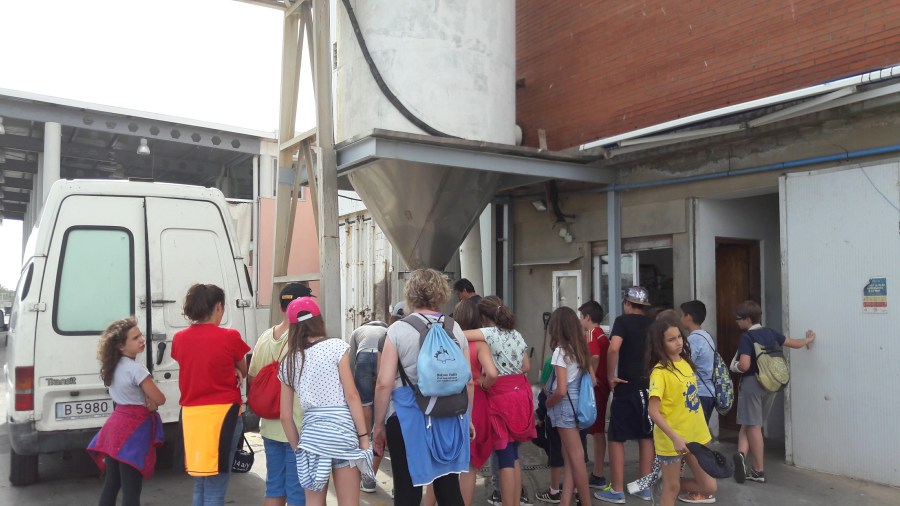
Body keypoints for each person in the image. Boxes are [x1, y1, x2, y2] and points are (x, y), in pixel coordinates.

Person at [372, 268, 473, 506]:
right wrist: (467, 419)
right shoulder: (455, 328)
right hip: (449, 417)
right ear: (441, 293)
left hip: (407, 418)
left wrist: (378, 425)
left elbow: (384, 383)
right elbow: (468, 380)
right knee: (449, 490)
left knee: (407, 491)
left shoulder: (397, 330)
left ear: (410, 293)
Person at [278, 296, 373, 505]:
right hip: (342, 433)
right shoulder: (337, 347)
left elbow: (285, 416)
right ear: (318, 320)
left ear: (293, 327)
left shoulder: (288, 362)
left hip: (312, 438)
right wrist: (364, 437)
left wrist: (298, 448)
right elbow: (352, 395)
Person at [172, 284, 250, 506]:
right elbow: (243, 370)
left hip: (192, 417)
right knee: (216, 487)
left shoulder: (179, 338)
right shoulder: (230, 336)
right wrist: (233, 368)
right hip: (224, 416)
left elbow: (195, 364)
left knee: (201, 482)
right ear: (218, 307)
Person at [730, 300, 816, 485]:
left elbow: (744, 365)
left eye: (738, 319)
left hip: (752, 384)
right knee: (750, 423)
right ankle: (741, 454)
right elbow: (795, 344)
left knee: (753, 425)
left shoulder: (747, 337)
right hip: (771, 385)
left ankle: (758, 470)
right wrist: (808, 340)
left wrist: (734, 366)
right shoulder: (770, 332)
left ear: (747, 319)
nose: (736, 322)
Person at [425, 298, 498, 506]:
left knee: (440, 460)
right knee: (469, 464)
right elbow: (492, 373)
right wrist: (482, 383)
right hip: (476, 402)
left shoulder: (447, 340)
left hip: (447, 400)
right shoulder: (480, 344)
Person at [88, 317, 166, 506]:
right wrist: (151, 404)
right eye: (135, 338)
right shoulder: (137, 370)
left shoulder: (114, 366)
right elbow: (160, 399)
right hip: (134, 431)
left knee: (112, 483)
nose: (141, 340)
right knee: (132, 489)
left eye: (141, 335)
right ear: (121, 346)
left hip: (115, 427)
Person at [465, 296, 535, 506]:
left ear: (484, 317)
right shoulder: (516, 334)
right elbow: (526, 366)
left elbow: (460, 333)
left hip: (500, 396)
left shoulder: (489, 333)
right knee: (513, 453)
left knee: (504, 454)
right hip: (521, 394)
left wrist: (484, 383)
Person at [248, 283, 309, 506]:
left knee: (274, 487)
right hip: (297, 427)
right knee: (297, 491)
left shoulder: (265, 337)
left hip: (269, 427)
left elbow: (253, 379)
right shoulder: (303, 339)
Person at [645, 319, 717, 506]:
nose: (678, 342)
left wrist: (703, 433)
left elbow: (690, 403)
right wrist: (675, 437)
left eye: (679, 337)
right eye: (671, 339)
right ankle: (667, 484)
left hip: (696, 437)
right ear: (660, 344)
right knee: (672, 489)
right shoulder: (659, 372)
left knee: (709, 486)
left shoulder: (685, 362)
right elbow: (653, 411)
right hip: (672, 440)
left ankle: (662, 483)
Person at [596, 286, 654, 504]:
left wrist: (610, 376)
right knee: (646, 436)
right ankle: (644, 488)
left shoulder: (622, 321)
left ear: (627, 304)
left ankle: (617, 490)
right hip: (648, 386)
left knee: (616, 437)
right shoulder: (652, 324)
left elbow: (613, 348)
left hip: (626, 385)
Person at [544, 306, 593, 506]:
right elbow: (592, 380)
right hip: (578, 404)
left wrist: (547, 402)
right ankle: (565, 500)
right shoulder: (580, 349)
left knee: (575, 457)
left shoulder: (560, 351)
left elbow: (561, 390)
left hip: (565, 406)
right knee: (573, 456)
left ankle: (586, 502)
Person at [348, 315, 390, 494]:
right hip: (383, 357)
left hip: (364, 358)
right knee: (381, 399)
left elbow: (351, 362)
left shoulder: (358, 331)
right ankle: (377, 431)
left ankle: (365, 437)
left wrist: (352, 385)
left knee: (365, 402)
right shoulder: (387, 330)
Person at [579, 300, 610, 490]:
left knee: (596, 431)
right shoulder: (602, 335)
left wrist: (591, 376)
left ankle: (598, 474)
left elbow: (595, 356)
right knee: (598, 432)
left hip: (596, 387)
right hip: (603, 385)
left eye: (581, 317)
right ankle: (597, 471)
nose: (580, 321)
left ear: (588, 317)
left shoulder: (591, 334)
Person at [679, 301, 716, 423]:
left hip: (698, 393)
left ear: (688, 316)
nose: (680, 319)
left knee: (695, 432)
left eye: (681, 315)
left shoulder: (694, 339)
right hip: (708, 391)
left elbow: (684, 364)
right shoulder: (706, 336)